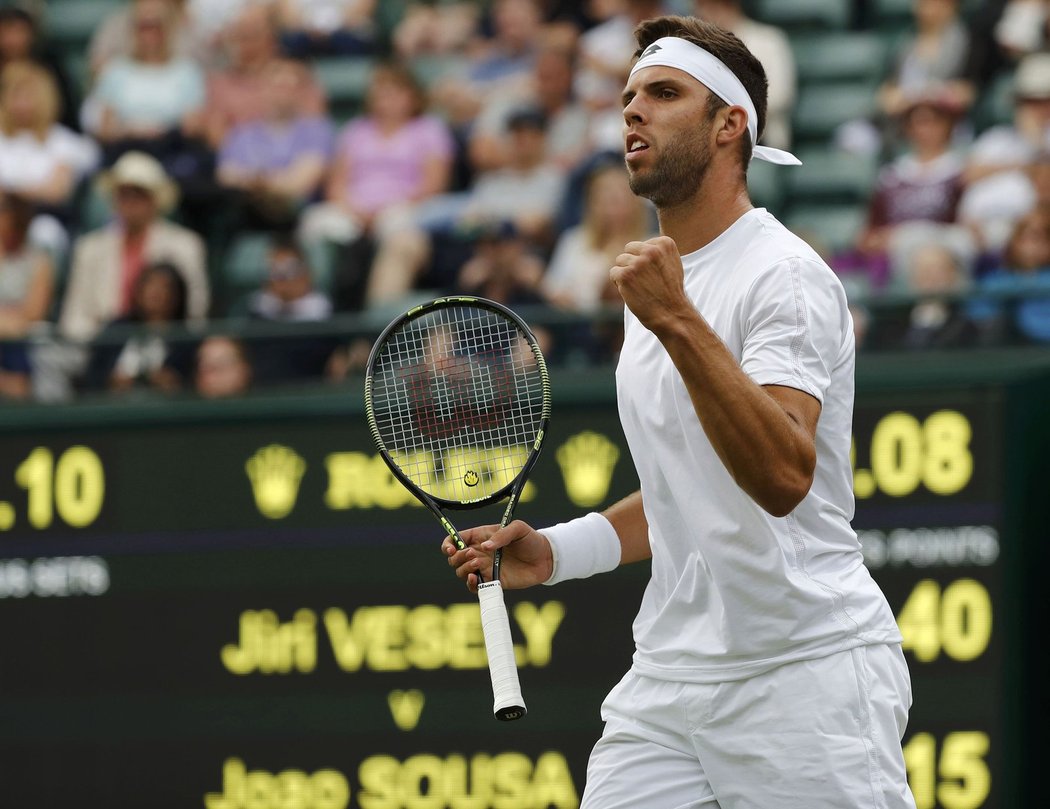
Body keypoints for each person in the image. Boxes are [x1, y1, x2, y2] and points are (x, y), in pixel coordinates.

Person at [444, 15, 915, 809]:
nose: (633, 111)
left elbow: (780, 475)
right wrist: (559, 551)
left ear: (730, 125)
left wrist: (678, 319)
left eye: (663, 94)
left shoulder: (782, 275)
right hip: (667, 683)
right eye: (629, 97)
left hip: (805, 675)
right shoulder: (658, 283)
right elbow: (687, 492)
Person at [59, 151, 209, 343]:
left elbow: (194, 314)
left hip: (163, 344)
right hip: (100, 346)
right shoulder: (89, 248)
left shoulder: (186, 246)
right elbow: (74, 317)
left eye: (138, 195)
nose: (130, 202)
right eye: (123, 194)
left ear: (155, 200)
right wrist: (103, 345)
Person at [216, 57, 335, 231]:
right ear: (263, 89)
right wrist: (275, 180)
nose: (282, 93)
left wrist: (257, 181)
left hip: (299, 216)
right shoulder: (243, 133)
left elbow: (303, 182)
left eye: (289, 87)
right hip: (245, 212)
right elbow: (225, 176)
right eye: (276, 86)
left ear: (301, 92)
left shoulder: (316, 130)